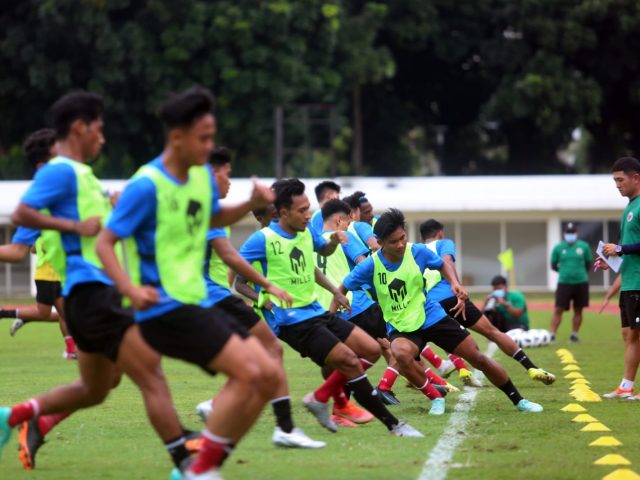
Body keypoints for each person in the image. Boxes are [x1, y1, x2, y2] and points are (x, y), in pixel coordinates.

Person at [96, 86, 282, 479]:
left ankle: (200, 468)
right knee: (254, 373)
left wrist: (250, 204)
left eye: (212, 136)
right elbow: (105, 242)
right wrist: (129, 289)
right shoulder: (147, 185)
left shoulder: (199, 179)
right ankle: (200, 469)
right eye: (203, 137)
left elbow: (212, 219)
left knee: (266, 377)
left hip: (195, 302)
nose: (209, 146)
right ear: (176, 137)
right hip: (165, 307)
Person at [239, 178, 423, 436]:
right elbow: (236, 277)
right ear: (283, 212)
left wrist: (335, 282)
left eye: (307, 209)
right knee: (347, 360)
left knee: (371, 349)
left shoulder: (304, 232)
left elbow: (319, 256)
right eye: (302, 210)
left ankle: (323, 398)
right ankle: (393, 425)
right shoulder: (262, 239)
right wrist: (265, 292)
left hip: (317, 310)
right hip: (291, 320)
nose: (309, 215)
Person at [339, 209, 544, 413]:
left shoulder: (417, 251)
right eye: (394, 241)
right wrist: (335, 311)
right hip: (402, 326)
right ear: (380, 242)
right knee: (401, 354)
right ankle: (436, 398)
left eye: (403, 237)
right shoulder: (369, 266)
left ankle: (519, 401)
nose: (400, 244)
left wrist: (454, 283)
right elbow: (343, 286)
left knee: (478, 358)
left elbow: (442, 265)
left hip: (431, 316)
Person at [194, 146, 325, 449]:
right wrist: (269, 288)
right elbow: (230, 260)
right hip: (209, 297)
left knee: (261, 358)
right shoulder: (205, 209)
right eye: (227, 173)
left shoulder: (207, 208)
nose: (229, 180)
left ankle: (218, 414)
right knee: (265, 356)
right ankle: (280, 428)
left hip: (207, 298)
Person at [420, 219, 555, 386]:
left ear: (422, 238)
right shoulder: (444, 243)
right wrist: (458, 286)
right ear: (440, 233)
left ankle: (462, 369)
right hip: (451, 296)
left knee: (449, 339)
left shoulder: (417, 251)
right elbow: (447, 262)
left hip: (431, 305)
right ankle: (531, 368)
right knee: (492, 332)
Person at [0, 129, 76, 359]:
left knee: (66, 316)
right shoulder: (37, 203)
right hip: (50, 272)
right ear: (43, 165)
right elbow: (18, 251)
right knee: (56, 314)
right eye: (59, 153)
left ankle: (74, 350)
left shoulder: (77, 181)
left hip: (67, 271)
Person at [598, 156, 640, 400]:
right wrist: (609, 259)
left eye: (620, 179)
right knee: (628, 335)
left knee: (635, 334)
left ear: (636, 177)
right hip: (629, 281)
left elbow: (626, 247)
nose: (617, 185)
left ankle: (627, 386)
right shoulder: (629, 208)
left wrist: (620, 249)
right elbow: (626, 247)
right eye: (614, 180)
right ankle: (626, 386)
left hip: (638, 282)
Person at [549, 222, 593, 343]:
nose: (570, 234)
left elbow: (588, 264)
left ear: (576, 233)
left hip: (581, 282)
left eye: (572, 232)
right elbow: (553, 265)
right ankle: (552, 334)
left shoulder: (584, 246)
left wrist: (578, 273)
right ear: (564, 234)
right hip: (564, 282)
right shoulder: (558, 248)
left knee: (578, 309)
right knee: (558, 309)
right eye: (568, 232)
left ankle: (574, 334)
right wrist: (565, 271)